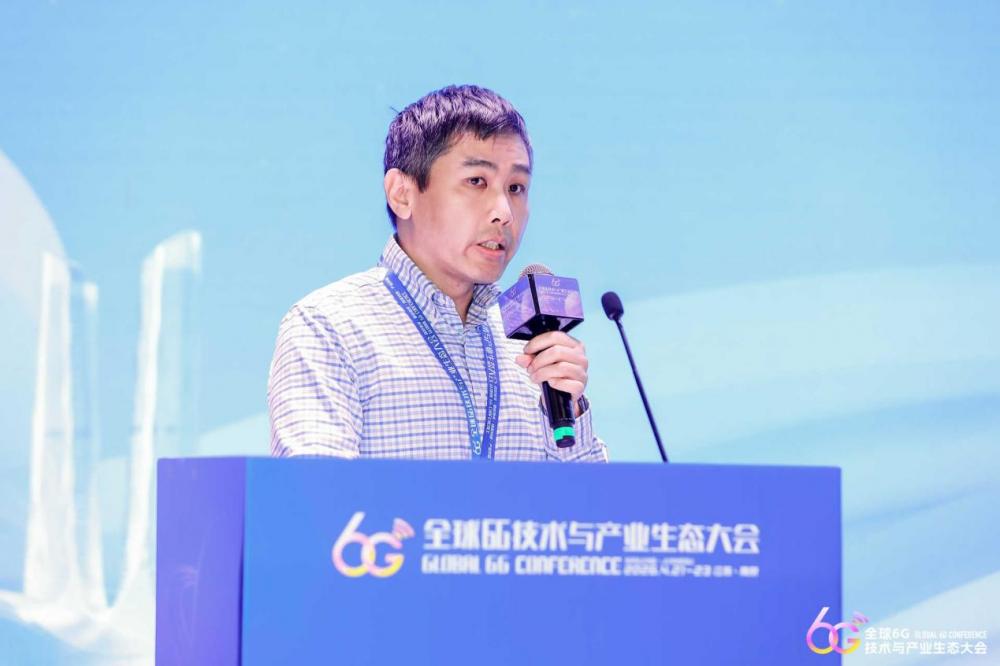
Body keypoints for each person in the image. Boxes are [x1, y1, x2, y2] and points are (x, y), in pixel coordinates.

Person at [267, 84, 607, 462]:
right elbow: (314, 491)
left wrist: (569, 410)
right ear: (402, 194)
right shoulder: (329, 327)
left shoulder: (531, 348)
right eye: (477, 182)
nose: (504, 212)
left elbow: (592, 500)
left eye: (516, 187)